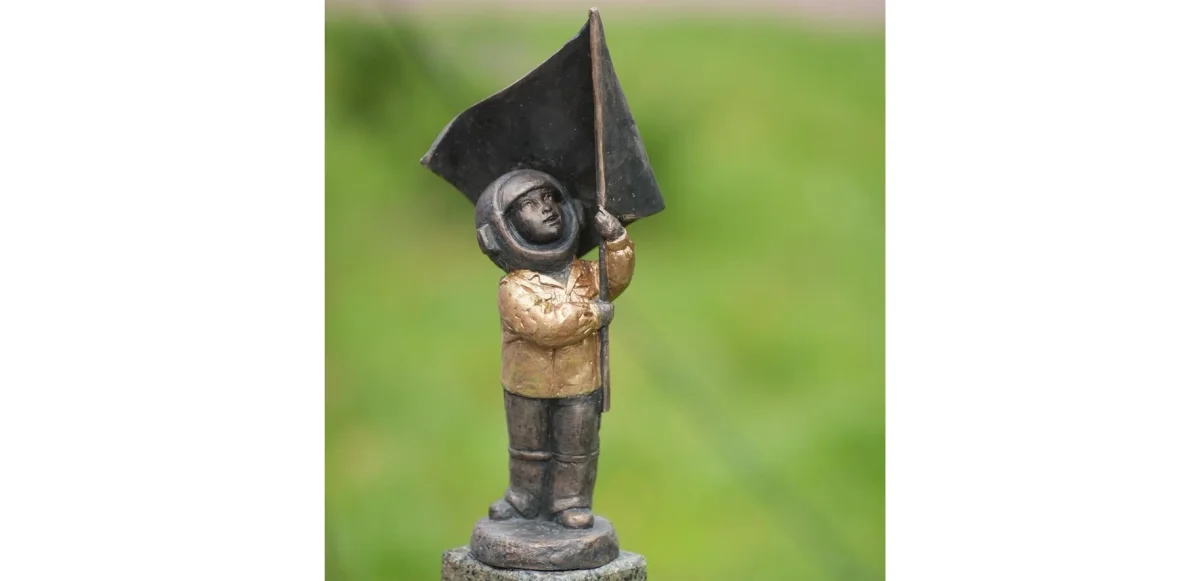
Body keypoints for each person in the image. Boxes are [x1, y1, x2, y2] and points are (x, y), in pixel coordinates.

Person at [472, 168, 634, 530]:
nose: (546, 208)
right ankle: (524, 497)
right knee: (528, 448)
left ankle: (570, 500)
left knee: (577, 448)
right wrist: (594, 314)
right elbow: (546, 325)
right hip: (527, 385)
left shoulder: (583, 273)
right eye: (529, 205)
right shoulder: (515, 287)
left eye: (548, 198)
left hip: (580, 382)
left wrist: (615, 240)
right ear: (504, 227)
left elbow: (614, 279)